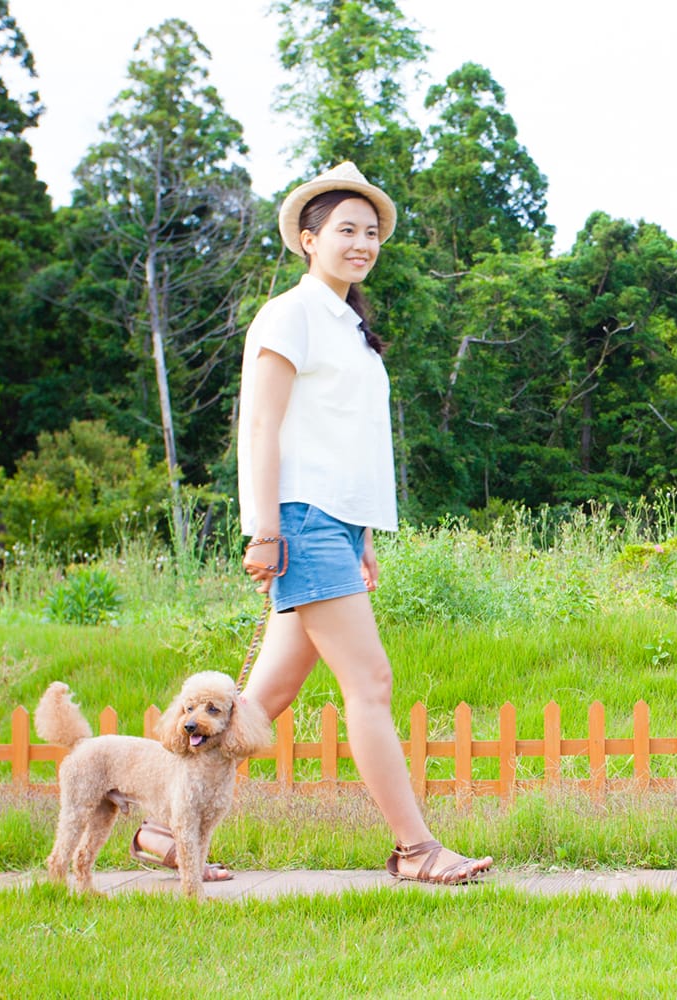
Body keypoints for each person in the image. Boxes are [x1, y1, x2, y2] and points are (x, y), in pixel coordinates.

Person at [130, 162, 493, 885]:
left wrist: (360, 535)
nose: (361, 243)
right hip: (300, 520)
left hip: (332, 524)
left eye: (371, 233)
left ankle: (159, 832)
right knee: (372, 683)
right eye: (345, 230)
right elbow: (262, 425)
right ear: (307, 238)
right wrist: (263, 527)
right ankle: (415, 849)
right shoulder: (289, 314)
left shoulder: (350, 327)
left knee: (259, 702)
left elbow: (346, 442)